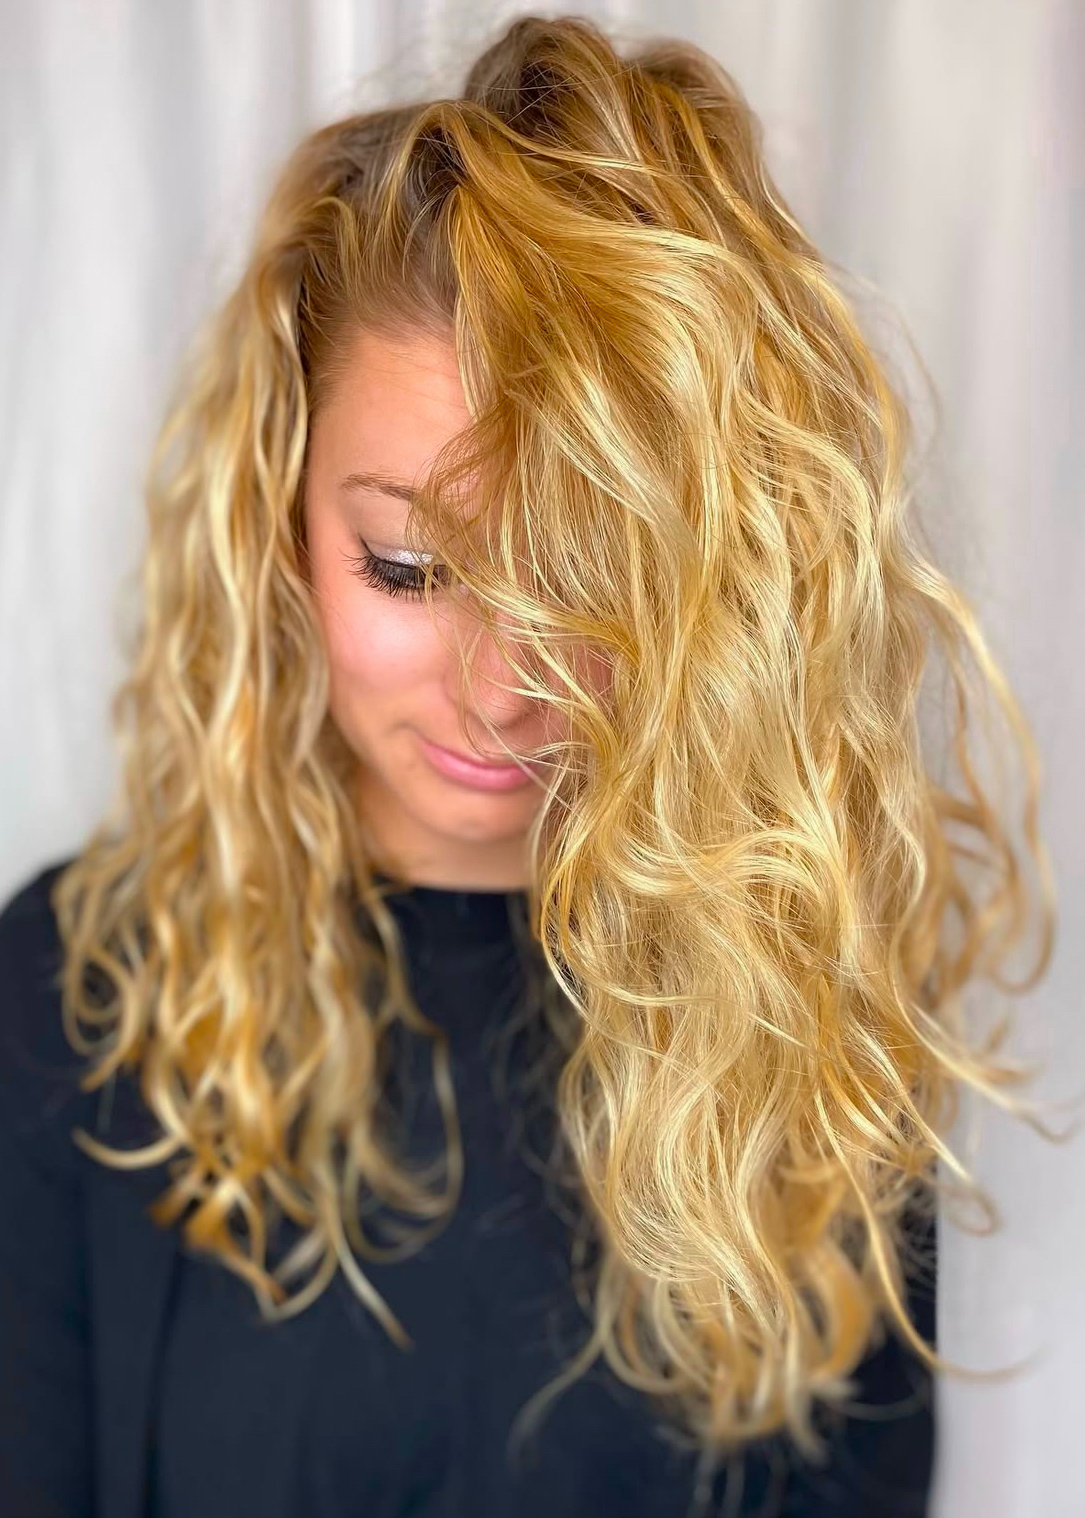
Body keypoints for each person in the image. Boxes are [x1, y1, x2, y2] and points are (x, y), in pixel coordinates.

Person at [0, 14, 1055, 1518]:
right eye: (410, 566)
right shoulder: (73, 998)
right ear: (277, 511)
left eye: (592, 581)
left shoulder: (802, 1026)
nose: (502, 693)